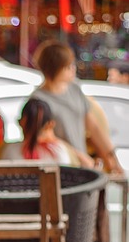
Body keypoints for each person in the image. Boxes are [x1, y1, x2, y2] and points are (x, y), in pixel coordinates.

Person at [31, 42, 122, 172]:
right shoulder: (38, 100)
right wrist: (80, 157)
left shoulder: (74, 88)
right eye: (68, 66)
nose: (73, 68)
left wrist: (112, 161)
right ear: (55, 68)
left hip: (82, 167)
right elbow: (44, 139)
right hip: (57, 168)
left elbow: (94, 128)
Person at [0, 98, 94, 166]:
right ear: (50, 125)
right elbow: (89, 165)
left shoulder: (6, 150)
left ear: (21, 123)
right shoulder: (63, 151)